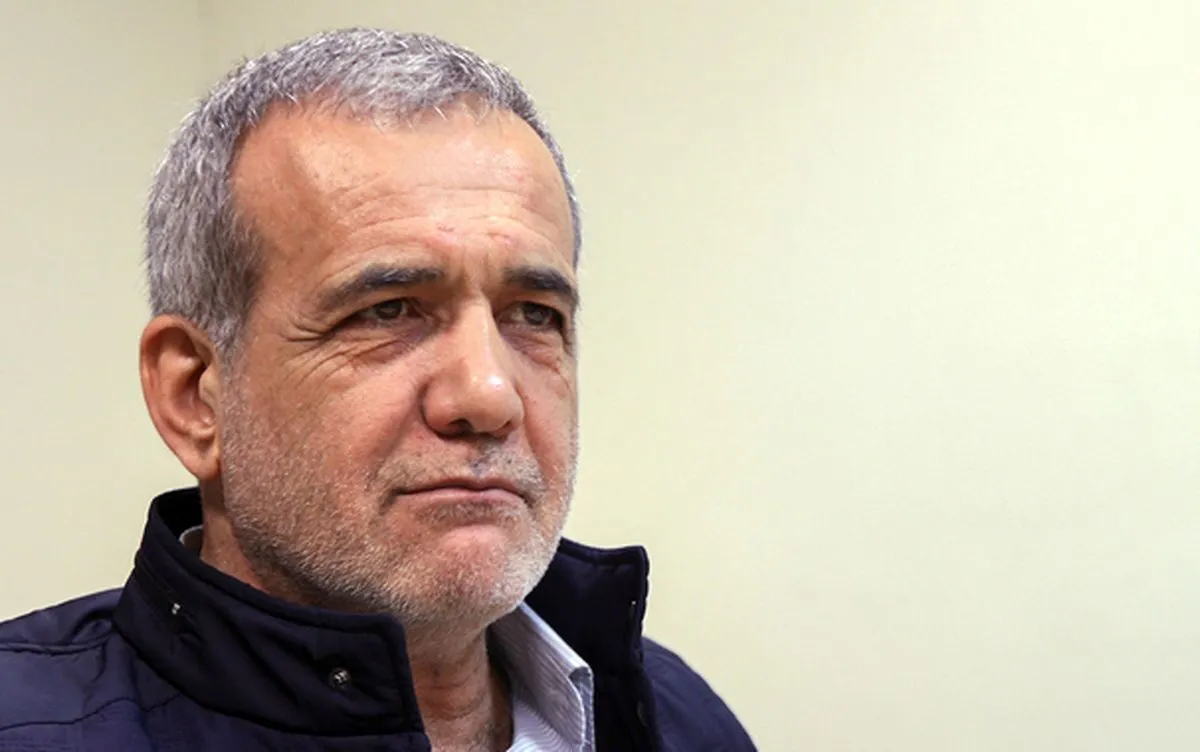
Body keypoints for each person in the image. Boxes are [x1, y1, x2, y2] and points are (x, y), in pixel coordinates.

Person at [0, 28, 754, 752]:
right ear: (195, 395)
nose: (490, 395)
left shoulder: (674, 715)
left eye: (533, 315)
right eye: (388, 312)